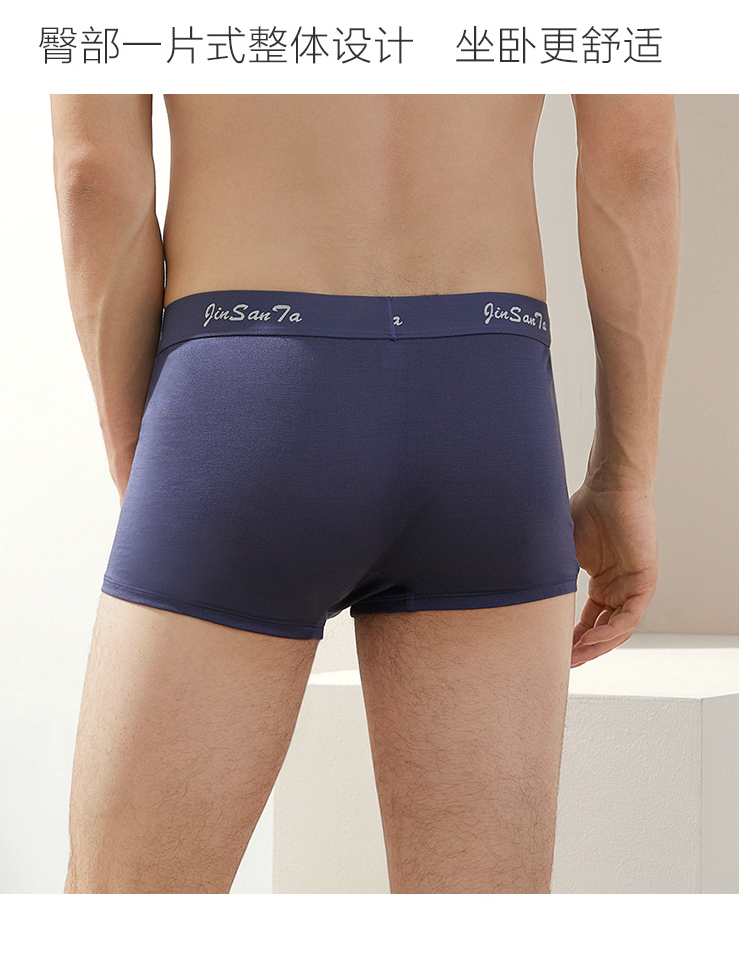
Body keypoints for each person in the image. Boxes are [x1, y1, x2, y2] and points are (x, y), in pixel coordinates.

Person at [50, 94, 680, 894]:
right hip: (490, 395)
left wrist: (136, 448)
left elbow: (94, 174)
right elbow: (635, 160)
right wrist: (624, 477)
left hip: (246, 392)